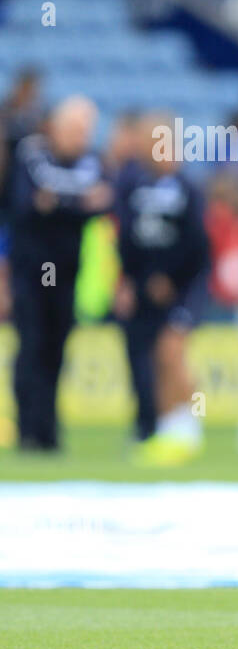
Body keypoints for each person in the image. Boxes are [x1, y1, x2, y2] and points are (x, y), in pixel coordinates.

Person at [9, 96, 113, 451]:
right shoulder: (31, 154)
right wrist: (76, 204)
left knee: (56, 347)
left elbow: (102, 204)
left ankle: (48, 429)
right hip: (34, 270)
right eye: (74, 129)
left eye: (85, 130)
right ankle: (29, 429)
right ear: (55, 126)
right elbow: (28, 206)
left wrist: (58, 204)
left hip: (65, 272)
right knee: (33, 344)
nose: (80, 137)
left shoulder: (90, 160)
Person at [113, 112, 209, 465]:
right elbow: (126, 239)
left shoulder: (189, 188)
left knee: (171, 350)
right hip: (144, 287)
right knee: (153, 357)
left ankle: (187, 427)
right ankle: (167, 429)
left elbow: (198, 246)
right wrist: (130, 279)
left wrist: (169, 277)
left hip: (185, 286)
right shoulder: (131, 185)